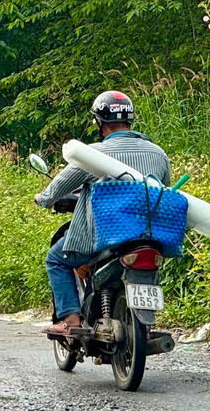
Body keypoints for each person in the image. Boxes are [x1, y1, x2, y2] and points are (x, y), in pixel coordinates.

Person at [33, 90, 170, 339]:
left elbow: (59, 186)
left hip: (105, 234)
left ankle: (70, 319)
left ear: (99, 121)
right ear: (130, 120)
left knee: (56, 259)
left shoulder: (94, 154)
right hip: (149, 234)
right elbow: (165, 191)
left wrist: (42, 200)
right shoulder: (158, 153)